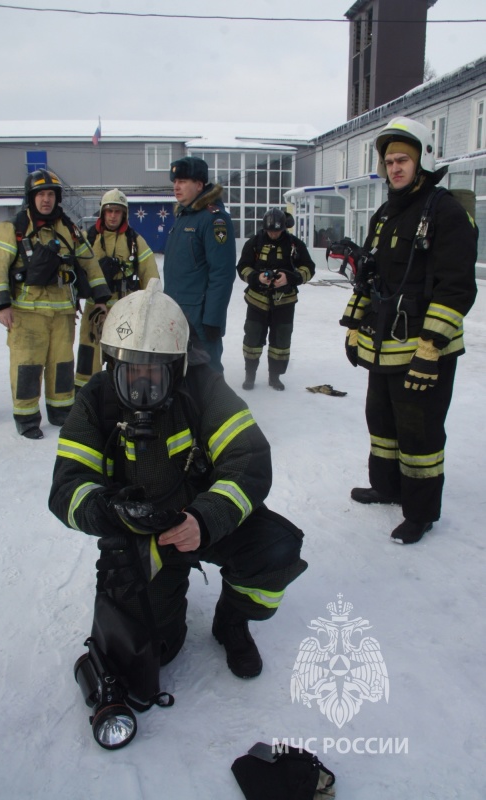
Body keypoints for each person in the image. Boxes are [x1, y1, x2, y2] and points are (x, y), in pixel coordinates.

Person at [48, 279, 307, 687]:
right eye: (130, 371)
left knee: (275, 550)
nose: (142, 385)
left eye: (154, 372)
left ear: (179, 366)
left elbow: (250, 458)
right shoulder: (96, 399)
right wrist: (109, 512)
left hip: (201, 520)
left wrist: (205, 520)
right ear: (111, 364)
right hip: (140, 533)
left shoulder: (203, 388)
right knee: (157, 652)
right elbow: (67, 486)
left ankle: (232, 621)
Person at [338, 116, 478, 544]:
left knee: (419, 432)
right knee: (380, 420)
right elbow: (369, 275)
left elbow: (456, 287)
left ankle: (420, 512)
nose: (395, 167)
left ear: (422, 162)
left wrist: (432, 346)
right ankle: (387, 487)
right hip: (385, 345)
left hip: (423, 350)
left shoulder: (446, 212)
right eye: (389, 161)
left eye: (403, 160)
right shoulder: (385, 214)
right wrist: (352, 325)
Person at [0, 169, 111, 439]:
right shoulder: (13, 228)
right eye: (40, 194)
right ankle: (27, 417)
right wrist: (1, 304)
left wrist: (101, 299)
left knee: (62, 364)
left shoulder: (70, 229)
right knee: (27, 365)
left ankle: (60, 411)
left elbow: (90, 264)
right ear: (31, 197)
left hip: (62, 313)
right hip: (26, 314)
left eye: (50, 194)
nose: (46, 200)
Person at [74, 188, 159, 391]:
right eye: (109, 211)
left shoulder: (135, 241)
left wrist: (153, 302)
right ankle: (86, 393)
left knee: (125, 350)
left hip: (125, 308)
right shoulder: (88, 239)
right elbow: (75, 270)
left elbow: (151, 274)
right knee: (89, 350)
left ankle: (125, 389)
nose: (113, 216)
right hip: (96, 308)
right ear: (103, 212)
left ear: (124, 214)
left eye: (117, 211)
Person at [163, 156, 236, 373]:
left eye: (183, 181)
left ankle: (216, 408)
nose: (177, 186)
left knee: (207, 376)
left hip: (201, 319)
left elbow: (222, 274)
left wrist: (213, 320)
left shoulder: (214, 220)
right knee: (180, 373)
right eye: (175, 181)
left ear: (199, 184)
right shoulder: (184, 217)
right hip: (177, 313)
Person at [237, 208, 315, 391]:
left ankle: (275, 376)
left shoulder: (295, 245)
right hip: (257, 302)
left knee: (281, 341)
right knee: (252, 339)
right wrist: (257, 278)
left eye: (277, 231)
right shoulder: (254, 243)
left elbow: (309, 268)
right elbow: (242, 267)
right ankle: (250, 374)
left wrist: (290, 278)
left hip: (285, 303)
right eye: (270, 230)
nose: (273, 234)